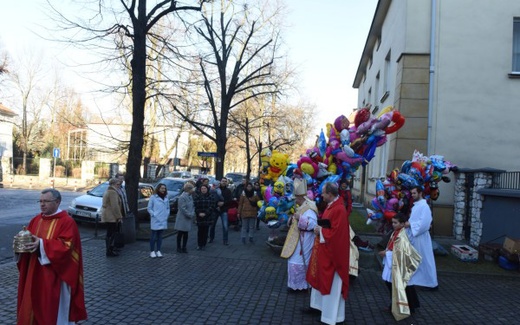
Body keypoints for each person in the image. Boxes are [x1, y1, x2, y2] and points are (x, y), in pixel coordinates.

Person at [15, 188, 87, 324]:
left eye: (46, 201)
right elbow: (29, 242)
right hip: (34, 271)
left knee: (52, 311)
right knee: (31, 306)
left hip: (55, 275)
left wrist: (41, 244)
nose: (42, 204)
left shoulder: (67, 222)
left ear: (58, 202)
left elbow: (66, 247)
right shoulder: (36, 220)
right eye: (40, 201)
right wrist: (20, 246)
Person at [305, 182, 350, 325]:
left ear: (330, 194)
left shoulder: (339, 210)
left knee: (333, 286)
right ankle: (319, 308)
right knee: (322, 280)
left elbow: (337, 234)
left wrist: (321, 231)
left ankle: (331, 317)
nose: (321, 195)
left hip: (334, 256)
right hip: (325, 250)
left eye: (323, 193)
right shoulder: (331, 206)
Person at [379, 213, 422, 321]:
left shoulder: (402, 236)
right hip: (395, 262)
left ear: (402, 224)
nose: (393, 224)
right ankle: (409, 305)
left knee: (400, 285)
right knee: (400, 285)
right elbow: (392, 246)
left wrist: (387, 254)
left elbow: (401, 252)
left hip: (399, 264)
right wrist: (387, 251)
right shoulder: (396, 232)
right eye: (392, 222)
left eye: (395, 223)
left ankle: (405, 306)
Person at [281, 178, 318, 292]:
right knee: (293, 260)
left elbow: (313, 224)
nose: (295, 200)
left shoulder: (310, 208)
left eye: (296, 198)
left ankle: (302, 286)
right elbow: (296, 219)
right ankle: (294, 285)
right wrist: (293, 219)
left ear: (301, 198)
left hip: (305, 238)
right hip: (297, 237)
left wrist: (300, 218)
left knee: (299, 261)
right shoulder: (302, 206)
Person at [405, 186, 438, 289]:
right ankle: (417, 280)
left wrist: (410, 225)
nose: (412, 195)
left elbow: (425, 223)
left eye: (414, 193)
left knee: (424, 259)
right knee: (415, 258)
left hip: (421, 237)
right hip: (415, 236)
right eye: (412, 193)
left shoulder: (424, 206)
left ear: (420, 193)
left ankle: (429, 282)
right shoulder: (417, 205)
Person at [101, 178, 124, 257]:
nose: (119, 186)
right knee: (111, 233)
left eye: (119, 184)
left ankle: (110, 249)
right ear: (113, 184)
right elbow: (115, 206)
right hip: (111, 216)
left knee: (110, 233)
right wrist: (119, 217)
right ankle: (109, 250)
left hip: (108, 215)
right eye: (117, 184)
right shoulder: (112, 192)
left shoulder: (108, 191)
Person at [147, 183, 170, 258]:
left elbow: (168, 208)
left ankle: (158, 250)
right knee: (154, 236)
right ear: (158, 189)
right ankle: (152, 251)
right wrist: (154, 215)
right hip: (156, 219)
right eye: (162, 188)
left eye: (164, 188)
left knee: (160, 236)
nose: (163, 189)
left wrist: (166, 215)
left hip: (163, 219)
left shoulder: (166, 197)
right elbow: (149, 208)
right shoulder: (153, 197)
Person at [209, 177, 233, 245]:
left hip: (224, 210)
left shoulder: (228, 191)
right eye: (223, 181)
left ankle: (225, 240)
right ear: (220, 181)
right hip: (215, 209)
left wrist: (223, 203)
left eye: (225, 181)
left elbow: (230, 200)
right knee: (212, 225)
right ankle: (211, 238)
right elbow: (211, 198)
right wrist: (217, 204)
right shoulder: (215, 189)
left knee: (225, 226)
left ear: (226, 182)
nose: (224, 182)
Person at [194, 184, 217, 250]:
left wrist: (206, 213)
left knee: (206, 230)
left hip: (207, 216)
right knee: (200, 231)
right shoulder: (197, 196)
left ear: (207, 189)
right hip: (199, 215)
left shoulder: (211, 196)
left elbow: (212, 206)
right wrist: (199, 213)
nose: (203, 190)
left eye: (205, 188)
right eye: (202, 189)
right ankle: (199, 244)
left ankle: (204, 244)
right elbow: (195, 205)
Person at [174, 182, 196, 253]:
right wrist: (190, 214)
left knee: (186, 233)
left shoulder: (190, 196)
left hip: (188, 217)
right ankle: (178, 247)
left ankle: (184, 247)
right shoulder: (182, 197)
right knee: (180, 233)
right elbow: (182, 208)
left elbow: (192, 206)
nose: (194, 190)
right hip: (182, 218)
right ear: (189, 189)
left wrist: (192, 213)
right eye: (192, 188)